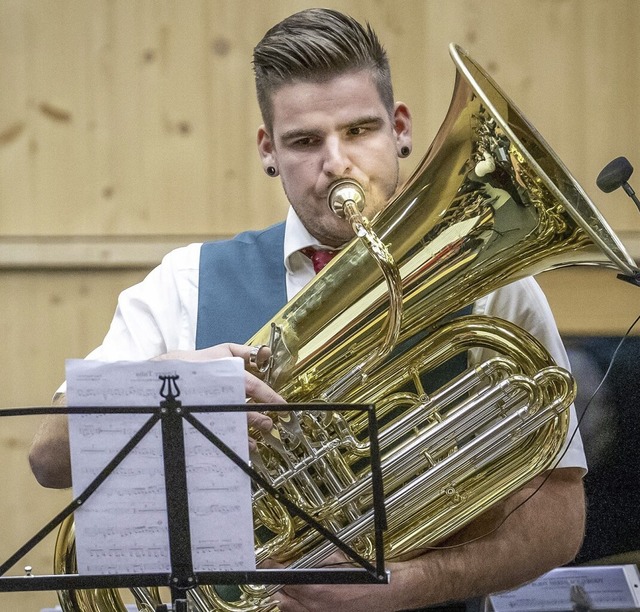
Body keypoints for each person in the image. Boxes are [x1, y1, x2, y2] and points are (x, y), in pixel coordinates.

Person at [29, 8, 586, 612]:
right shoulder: (185, 281)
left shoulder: (492, 280)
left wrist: (410, 586)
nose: (336, 163)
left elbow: (558, 516)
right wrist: (170, 382)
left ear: (400, 129)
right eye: (303, 141)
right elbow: (50, 458)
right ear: (269, 150)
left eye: (359, 131)